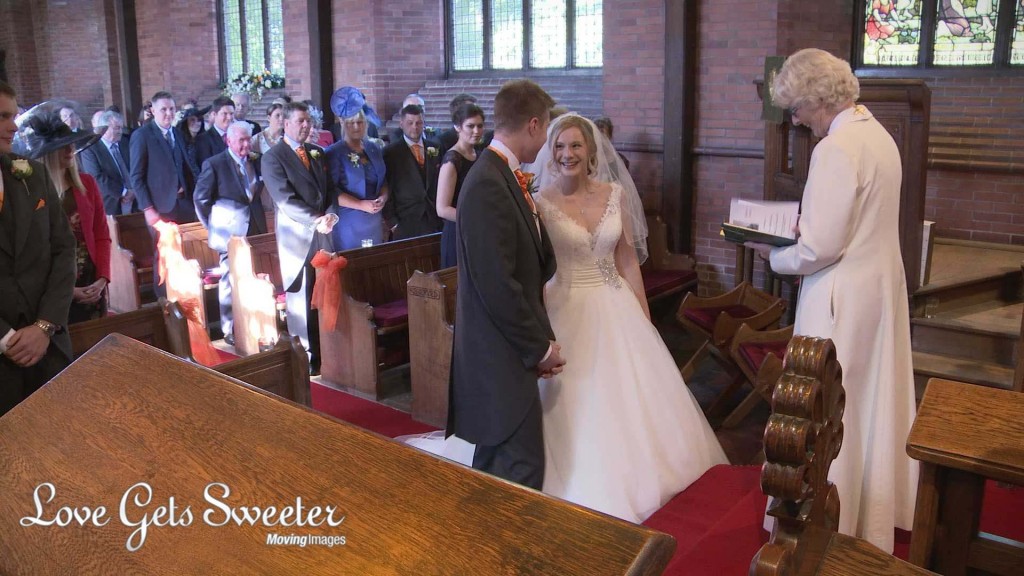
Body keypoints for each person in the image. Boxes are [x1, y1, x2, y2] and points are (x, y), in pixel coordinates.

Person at [745, 48, 918, 553]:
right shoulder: (878, 135)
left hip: (840, 295)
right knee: (865, 398)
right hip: (875, 288)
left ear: (818, 98)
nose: (796, 120)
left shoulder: (836, 148)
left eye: (796, 108)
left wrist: (773, 255)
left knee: (827, 404)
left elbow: (821, 248)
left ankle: (825, 517)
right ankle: (869, 509)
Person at [530, 113, 727, 522]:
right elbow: (536, 268)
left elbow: (627, 261)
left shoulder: (614, 194)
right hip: (566, 303)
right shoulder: (540, 202)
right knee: (578, 397)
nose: (567, 154)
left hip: (615, 301)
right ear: (550, 152)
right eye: (560, 146)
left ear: (591, 150)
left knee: (634, 393)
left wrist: (644, 318)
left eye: (575, 145)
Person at [447, 79, 565, 490]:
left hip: (507, 356)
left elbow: (525, 270)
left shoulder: (501, 175)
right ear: (533, 124)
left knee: (501, 474)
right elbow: (498, 286)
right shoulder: (487, 183)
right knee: (521, 474)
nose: (546, 139)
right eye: (546, 128)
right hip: (497, 358)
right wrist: (539, 348)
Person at [0, 81, 77, 417]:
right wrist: (6, 339)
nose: (13, 126)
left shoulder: (31, 174)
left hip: (49, 348)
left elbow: (64, 248)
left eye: (13, 116)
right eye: (2, 117)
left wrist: (45, 325)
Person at [261, 101, 337, 373]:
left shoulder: (317, 152)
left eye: (309, 121)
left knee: (324, 292)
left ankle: (328, 352)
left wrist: (331, 214)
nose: (306, 126)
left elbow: (330, 190)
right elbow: (285, 200)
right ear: (286, 123)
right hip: (297, 237)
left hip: (322, 233)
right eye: (300, 121)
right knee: (301, 297)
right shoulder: (273, 157)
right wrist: (316, 219)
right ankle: (304, 358)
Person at [19, 109, 110, 324]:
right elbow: (33, 252)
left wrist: (102, 279)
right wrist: (69, 290)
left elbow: (101, 235)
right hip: (54, 285)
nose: (71, 150)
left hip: (90, 280)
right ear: (49, 153)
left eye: (72, 144)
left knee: (98, 338)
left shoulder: (87, 183)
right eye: (63, 146)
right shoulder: (31, 191)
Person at [193, 121, 268, 345]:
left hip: (254, 225)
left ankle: (255, 322)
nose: (246, 145)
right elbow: (201, 199)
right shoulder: (214, 164)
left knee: (255, 275)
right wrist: (214, 225)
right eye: (241, 140)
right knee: (230, 278)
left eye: (248, 140)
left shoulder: (257, 160)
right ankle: (230, 328)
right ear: (228, 141)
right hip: (229, 231)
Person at [325, 87, 388, 250]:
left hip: (374, 220)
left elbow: (383, 180)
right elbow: (331, 191)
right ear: (343, 124)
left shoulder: (374, 148)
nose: (355, 127)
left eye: (359, 122)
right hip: (349, 222)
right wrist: (360, 204)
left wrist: (383, 197)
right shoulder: (334, 152)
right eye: (351, 123)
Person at [382, 104, 443, 239]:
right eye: (410, 123)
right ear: (401, 124)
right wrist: (393, 223)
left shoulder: (435, 148)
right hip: (406, 220)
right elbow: (387, 187)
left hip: (434, 219)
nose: (415, 127)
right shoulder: (390, 153)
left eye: (419, 123)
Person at [435, 102, 484, 267]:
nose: (476, 131)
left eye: (480, 126)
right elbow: (442, 209)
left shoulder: (479, 155)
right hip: (457, 233)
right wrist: (475, 218)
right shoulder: (452, 159)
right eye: (470, 126)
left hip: (476, 233)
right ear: (457, 127)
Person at [79, 109, 136, 215]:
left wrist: (134, 191)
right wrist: (124, 192)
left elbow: (136, 167)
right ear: (104, 129)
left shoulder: (126, 142)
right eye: (116, 128)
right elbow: (96, 177)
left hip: (135, 202)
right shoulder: (90, 148)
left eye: (121, 128)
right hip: (111, 204)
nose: (120, 131)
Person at [195, 96, 235, 169]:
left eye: (231, 113)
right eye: (225, 113)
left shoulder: (236, 136)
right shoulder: (203, 140)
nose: (229, 117)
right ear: (214, 114)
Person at [173, 100, 208, 179]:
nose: (196, 123)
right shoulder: (179, 142)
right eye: (192, 120)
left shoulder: (205, 141)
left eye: (199, 120)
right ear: (186, 122)